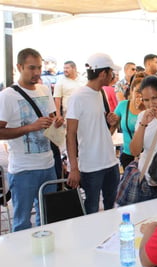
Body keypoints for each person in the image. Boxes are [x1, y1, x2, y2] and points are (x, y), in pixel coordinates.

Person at [0, 48, 64, 231]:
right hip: (23, 170)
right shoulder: (7, 96)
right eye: (31, 68)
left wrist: (57, 121)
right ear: (19, 67)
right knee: (22, 222)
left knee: (48, 219)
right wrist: (30, 127)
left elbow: (52, 118)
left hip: (48, 165)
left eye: (39, 67)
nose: (36, 72)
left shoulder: (44, 89)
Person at [66, 53, 121, 214]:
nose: (113, 75)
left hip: (110, 163)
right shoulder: (77, 97)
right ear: (103, 74)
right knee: (91, 209)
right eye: (111, 71)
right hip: (90, 167)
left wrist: (113, 124)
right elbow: (70, 134)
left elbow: (103, 132)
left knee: (111, 207)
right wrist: (74, 168)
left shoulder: (100, 93)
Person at [114, 72, 145, 169]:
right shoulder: (123, 105)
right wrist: (110, 121)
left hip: (147, 154)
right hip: (128, 154)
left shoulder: (151, 107)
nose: (140, 95)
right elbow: (111, 128)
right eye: (138, 91)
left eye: (144, 91)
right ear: (131, 91)